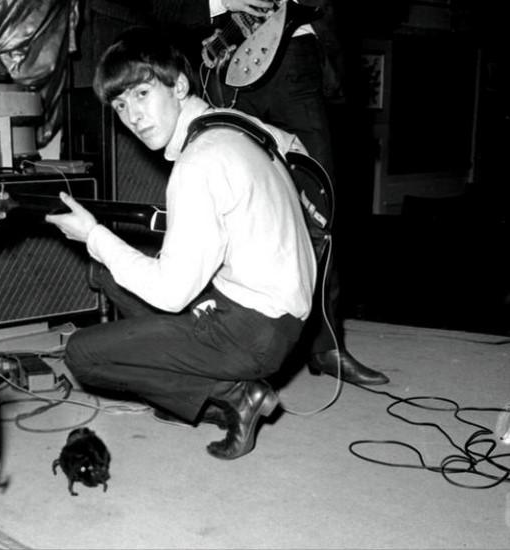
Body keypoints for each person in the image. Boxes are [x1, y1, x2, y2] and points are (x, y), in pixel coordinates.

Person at [46, 26, 317, 460]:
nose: (132, 116)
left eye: (141, 94)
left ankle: (231, 394)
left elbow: (172, 294)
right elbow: (297, 150)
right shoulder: (237, 125)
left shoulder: (197, 163)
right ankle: (203, 388)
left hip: (256, 331)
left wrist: (94, 235)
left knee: (82, 355)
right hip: (285, 310)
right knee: (108, 272)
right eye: (120, 105)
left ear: (180, 86)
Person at [149, 0, 389, 385]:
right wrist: (222, 2)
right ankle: (220, 344)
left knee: (321, 202)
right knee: (229, 209)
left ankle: (326, 345)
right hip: (226, 63)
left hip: (296, 55)